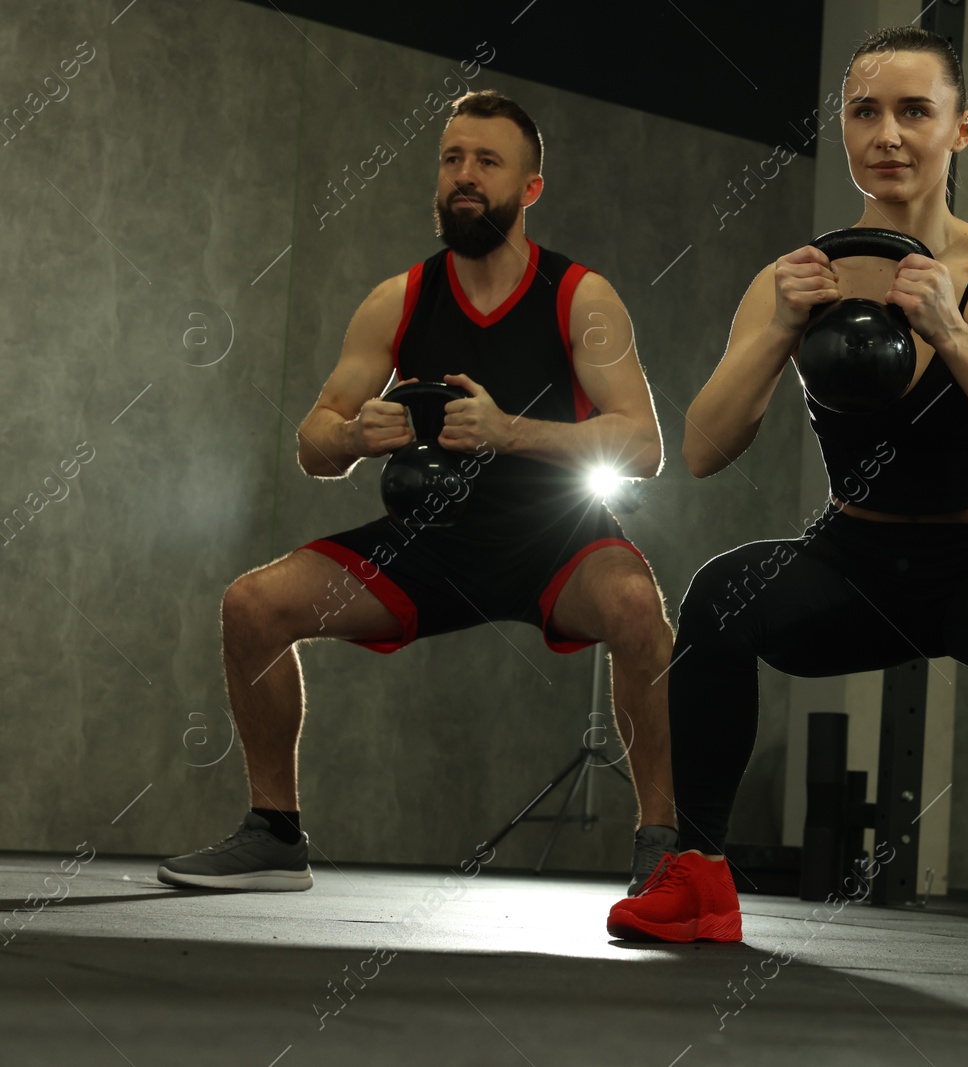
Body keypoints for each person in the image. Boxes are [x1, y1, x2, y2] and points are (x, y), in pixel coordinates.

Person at [606, 27, 968, 966]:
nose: (888, 133)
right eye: (864, 111)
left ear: (960, 129)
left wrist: (955, 335)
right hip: (858, 558)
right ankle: (701, 876)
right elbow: (706, 450)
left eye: (915, 111)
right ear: (841, 127)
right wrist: (776, 333)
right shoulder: (799, 278)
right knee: (721, 593)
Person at [157, 90, 680, 897]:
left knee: (639, 610)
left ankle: (660, 843)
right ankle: (273, 833)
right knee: (252, 606)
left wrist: (511, 433)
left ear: (531, 188)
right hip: (426, 547)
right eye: (451, 159)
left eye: (487, 162)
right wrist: (356, 435)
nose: (464, 177)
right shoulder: (397, 300)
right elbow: (312, 442)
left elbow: (643, 446)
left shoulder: (582, 297)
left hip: (555, 544)